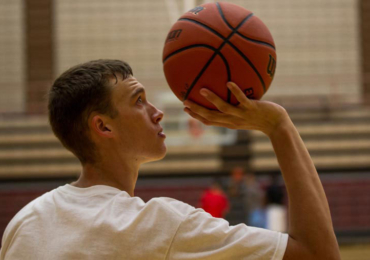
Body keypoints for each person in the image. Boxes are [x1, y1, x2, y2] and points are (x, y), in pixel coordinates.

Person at [0, 59, 341, 259]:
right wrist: (279, 125)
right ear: (102, 126)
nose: (158, 112)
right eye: (139, 101)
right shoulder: (159, 225)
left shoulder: (25, 221)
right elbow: (317, 254)